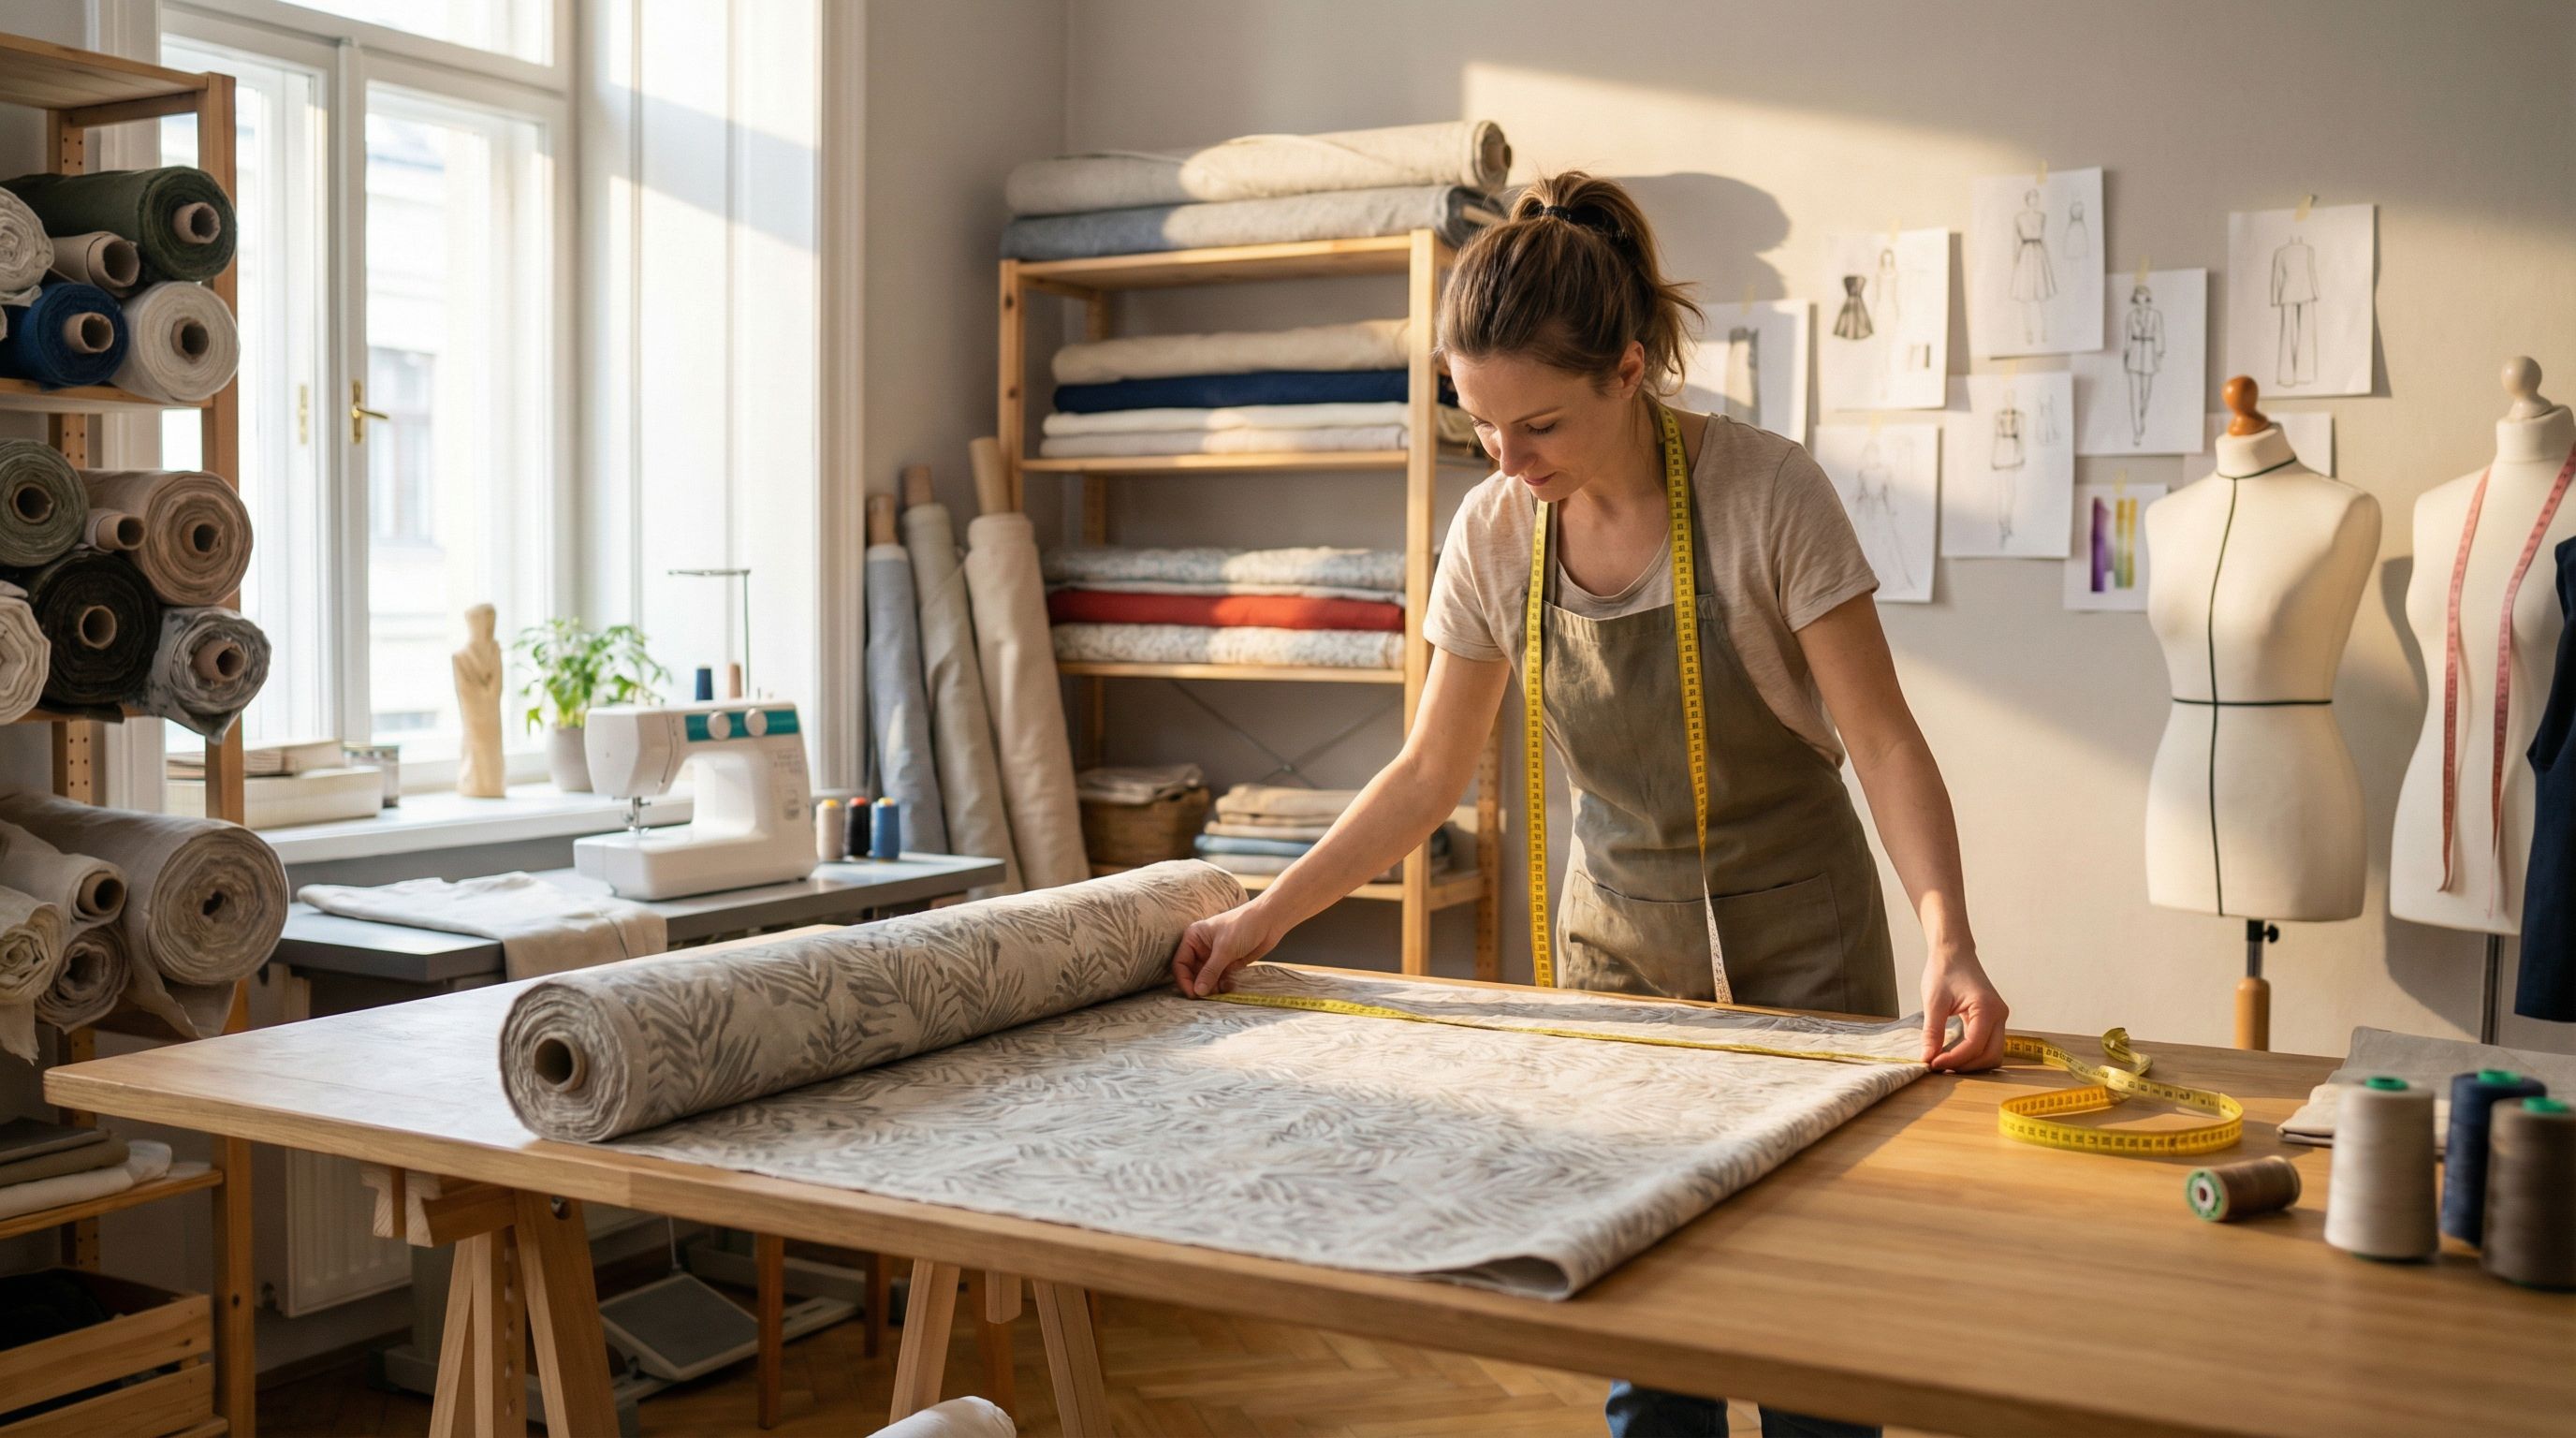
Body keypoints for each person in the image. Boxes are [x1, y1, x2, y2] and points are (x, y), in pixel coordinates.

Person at [1171, 172, 2009, 1438]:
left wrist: (1951, 938)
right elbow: (1427, 774)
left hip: (1805, 940)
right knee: (1644, 1310)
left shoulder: (1768, 494)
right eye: (1479, 426)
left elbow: (1885, 744)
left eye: (1540, 427)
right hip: (1617, 949)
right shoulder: (1496, 532)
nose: (1508, 463)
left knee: (1811, 1314)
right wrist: (1262, 917)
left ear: (1629, 372)